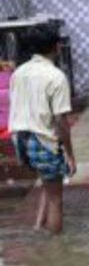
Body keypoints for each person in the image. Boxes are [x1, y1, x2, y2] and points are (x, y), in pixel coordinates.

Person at [8, 25, 76, 234]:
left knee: (47, 183)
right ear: (56, 46)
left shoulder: (19, 72)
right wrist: (71, 155)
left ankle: (38, 228)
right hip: (42, 140)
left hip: (19, 140)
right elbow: (61, 122)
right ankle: (56, 253)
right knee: (57, 199)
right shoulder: (55, 76)